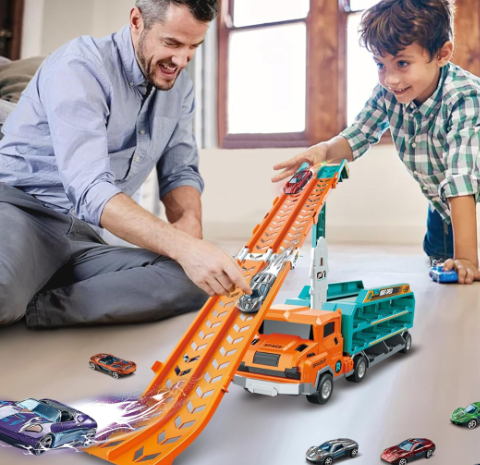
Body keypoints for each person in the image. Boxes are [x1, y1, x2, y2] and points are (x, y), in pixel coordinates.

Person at [0, 0, 251, 329]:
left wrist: (190, 227)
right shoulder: (82, 65)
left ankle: (36, 305)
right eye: (172, 43)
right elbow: (90, 188)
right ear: (136, 21)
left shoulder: (180, 89)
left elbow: (180, 172)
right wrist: (182, 247)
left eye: (193, 47)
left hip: (83, 236)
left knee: (198, 279)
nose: (181, 60)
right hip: (24, 213)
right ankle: (19, 289)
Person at [273, 0, 480, 285]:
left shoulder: (464, 97)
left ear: (442, 54)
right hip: (442, 199)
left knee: (465, 260)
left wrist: (467, 259)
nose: (390, 79)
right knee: (437, 253)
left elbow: (460, 179)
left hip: (467, 189)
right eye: (381, 65)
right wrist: (324, 150)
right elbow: (357, 136)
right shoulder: (388, 93)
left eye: (402, 63)